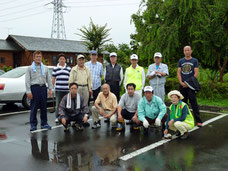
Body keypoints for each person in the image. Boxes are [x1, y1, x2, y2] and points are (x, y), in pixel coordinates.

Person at [25, 51, 53, 131]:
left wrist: (50, 89)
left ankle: (44, 123)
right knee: (34, 107)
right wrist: (28, 92)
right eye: (37, 56)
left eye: (40, 56)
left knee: (44, 107)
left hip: (43, 88)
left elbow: (49, 79)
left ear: (41, 58)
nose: (38, 58)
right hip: (34, 89)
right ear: (33, 58)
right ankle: (33, 124)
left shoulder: (45, 68)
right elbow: (27, 81)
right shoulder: (29, 68)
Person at [177, 46, 202, 127]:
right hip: (182, 85)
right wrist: (181, 82)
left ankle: (198, 120)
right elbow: (179, 72)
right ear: (183, 52)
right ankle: (183, 119)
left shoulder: (194, 61)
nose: (187, 52)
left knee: (193, 103)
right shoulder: (181, 61)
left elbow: (196, 74)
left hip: (191, 85)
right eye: (185, 50)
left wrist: (188, 83)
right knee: (182, 103)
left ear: (191, 51)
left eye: (188, 50)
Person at [52, 53, 71, 123]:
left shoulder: (69, 68)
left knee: (67, 104)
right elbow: (53, 78)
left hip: (67, 89)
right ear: (58, 60)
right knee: (58, 104)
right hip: (58, 89)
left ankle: (66, 116)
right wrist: (53, 87)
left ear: (65, 60)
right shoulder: (55, 69)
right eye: (60, 59)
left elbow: (71, 79)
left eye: (63, 59)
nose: (62, 60)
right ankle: (58, 116)